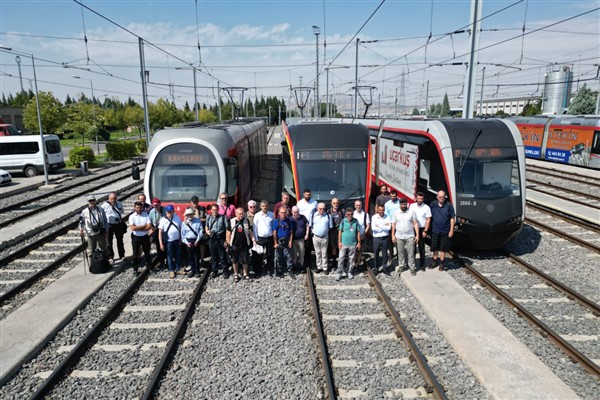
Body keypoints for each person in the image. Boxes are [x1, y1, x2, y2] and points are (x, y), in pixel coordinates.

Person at [391, 198, 419, 276]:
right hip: (399, 236)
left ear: (407, 204)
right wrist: (393, 235)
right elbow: (393, 224)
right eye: (402, 204)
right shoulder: (396, 213)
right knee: (400, 252)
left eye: (404, 204)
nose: (403, 206)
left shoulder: (412, 212)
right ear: (399, 204)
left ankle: (412, 267)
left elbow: (415, 223)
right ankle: (401, 266)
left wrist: (417, 235)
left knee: (411, 253)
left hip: (410, 235)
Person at [226, 207, 255, 282]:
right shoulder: (232, 221)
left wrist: (253, 239)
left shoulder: (246, 220)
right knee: (235, 260)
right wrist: (228, 243)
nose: (242, 215)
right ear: (236, 214)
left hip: (245, 244)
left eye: (242, 214)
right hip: (235, 244)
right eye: (240, 214)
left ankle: (245, 274)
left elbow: (249, 231)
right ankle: (235, 273)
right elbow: (228, 233)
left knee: (245, 260)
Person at [429, 190, 455, 272]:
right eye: (440, 197)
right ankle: (435, 261)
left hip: (445, 230)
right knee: (434, 247)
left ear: (445, 197)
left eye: (443, 197)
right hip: (435, 229)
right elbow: (428, 216)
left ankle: (442, 263)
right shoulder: (433, 205)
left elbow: (452, 218)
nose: (441, 198)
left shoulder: (449, 205)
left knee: (443, 248)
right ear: (437, 197)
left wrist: (451, 230)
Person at [158, 205, 183, 279]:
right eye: (168, 212)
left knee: (178, 255)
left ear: (173, 211)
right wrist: (161, 243)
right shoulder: (163, 220)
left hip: (177, 240)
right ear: (166, 212)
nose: (169, 213)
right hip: (169, 241)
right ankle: (171, 270)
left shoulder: (177, 218)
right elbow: (160, 232)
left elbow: (181, 228)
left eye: (171, 211)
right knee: (170, 256)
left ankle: (178, 268)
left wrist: (181, 238)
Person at [337, 208, 361, 281]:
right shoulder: (343, 221)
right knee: (341, 258)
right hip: (343, 243)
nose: (350, 216)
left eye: (351, 214)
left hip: (353, 243)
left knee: (351, 259)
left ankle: (349, 272)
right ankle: (339, 273)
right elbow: (340, 232)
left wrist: (359, 242)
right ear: (346, 215)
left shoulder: (356, 221)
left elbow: (358, 232)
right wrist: (339, 242)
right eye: (348, 214)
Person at [128, 201, 152, 274]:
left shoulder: (146, 215)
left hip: (145, 237)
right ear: (134, 208)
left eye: (140, 207)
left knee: (147, 253)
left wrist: (138, 228)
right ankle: (135, 269)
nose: (138, 209)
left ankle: (149, 268)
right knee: (135, 255)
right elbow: (133, 228)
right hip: (136, 237)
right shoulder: (131, 216)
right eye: (137, 208)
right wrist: (144, 226)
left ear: (142, 208)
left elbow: (149, 226)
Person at [409, 192, 432, 270]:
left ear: (423, 199)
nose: (419, 200)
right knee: (412, 248)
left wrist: (425, 231)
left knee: (422, 248)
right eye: (418, 198)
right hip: (412, 229)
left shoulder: (426, 208)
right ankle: (413, 264)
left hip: (422, 229)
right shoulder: (412, 206)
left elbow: (428, 220)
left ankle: (422, 265)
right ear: (416, 198)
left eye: (421, 199)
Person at [101, 192, 126, 262]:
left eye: (115, 198)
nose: (113, 200)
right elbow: (102, 215)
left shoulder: (119, 204)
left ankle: (122, 255)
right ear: (109, 198)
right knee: (109, 242)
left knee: (120, 241)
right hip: (109, 225)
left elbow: (122, 212)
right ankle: (110, 256)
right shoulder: (104, 205)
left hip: (118, 224)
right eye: (112, 199)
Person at [205, 204, 228, 278]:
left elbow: (227, 229)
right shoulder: (208, 217)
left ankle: (225, 271)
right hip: (212, 238)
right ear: (211, 210)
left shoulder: (222, 217)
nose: (214, 211)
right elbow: (206, 227)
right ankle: (215, 271)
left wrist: (226, 240)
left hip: (220, 238)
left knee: (222, 256)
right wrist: (207, 232)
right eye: (213, 210)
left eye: (216, 210)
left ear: (218, 210)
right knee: (213, 256)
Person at [253, 200, 274, 277]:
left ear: (267, 206)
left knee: (269, 255)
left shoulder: (271, 214)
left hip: (269, 238)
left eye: (266, 206)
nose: (264, 208)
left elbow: (272, 226)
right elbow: (255, 227)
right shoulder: (257, 215)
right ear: (260, 207)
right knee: (259, 255)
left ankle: (269, 270)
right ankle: (258, 271)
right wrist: (255, 238)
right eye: (263, 206)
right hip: (260, 238)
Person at [297, 188, 317, 268]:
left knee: (309, 244)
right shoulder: (299, 203)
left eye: (309, 195)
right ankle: (301, 260)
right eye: (306, 195)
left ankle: (308, 260)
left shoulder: (314, 202)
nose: (307, 196)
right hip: (302, 226)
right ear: (303, 194)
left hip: (311, 226)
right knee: (302, 243)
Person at [272, 206, 294, 278]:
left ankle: (290, 269)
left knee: (289, 256)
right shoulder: (276, 221)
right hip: (279, 240)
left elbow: (291, 232)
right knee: (279, 256)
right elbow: (274, 232)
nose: (283, 214)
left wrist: (290, 241)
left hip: (287, 240)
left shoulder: (289, 221)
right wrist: (275, 243)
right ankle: (280, 270)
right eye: (281, 213)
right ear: (279, 213)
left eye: (284, 213)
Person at [311, 202, 333, 273]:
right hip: (316, 237)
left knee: (324, 253)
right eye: (320, 209)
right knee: (317, 253)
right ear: (317, 208)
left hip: (325, 237)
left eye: (323, 209)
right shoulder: (313, 215)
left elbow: (330, 226)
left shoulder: (328, 216)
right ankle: (319, 267)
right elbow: (310, 225)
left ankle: (325, 267)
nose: (322, 210)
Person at [181, 208, 203, 278]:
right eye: (188, 215)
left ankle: (197, 271)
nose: (189, 216)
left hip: (196, 240)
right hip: (188, 241)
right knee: (190, 256)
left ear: (193, 214)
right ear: (186, 215)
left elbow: (201, 230)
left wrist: (197, 240)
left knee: (196, 256)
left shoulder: (198, 221)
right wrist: (186, 242)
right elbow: (182, 235)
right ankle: (193, 270)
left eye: (190, 214)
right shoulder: (184, 223)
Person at [371, 204, 392, 274]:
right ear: (377, 210)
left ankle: (384, 268)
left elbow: (389, 228)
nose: (381, 211)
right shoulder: (374, 217)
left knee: (385, 253)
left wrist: (379, 226)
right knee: (376, 253)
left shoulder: (387, 217)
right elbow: (373, 228)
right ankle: (376, 268)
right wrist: (383, 226)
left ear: (384, 209)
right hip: (376, 238)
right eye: (380, 210)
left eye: (382, 210)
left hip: (385, 238)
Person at [290, 206, 309, 273]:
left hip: (301, 239)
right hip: (293, 240)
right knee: (294, 254)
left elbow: (307, 225)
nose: (296, 213)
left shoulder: (303, 217)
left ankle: (301, 266)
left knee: (301, 253)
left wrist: (307, 234)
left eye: (297, 212)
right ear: (292, 212)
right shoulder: (290, 219)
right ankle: (295, 266)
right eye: (295, 212)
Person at [191, 195, 208, 268]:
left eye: (196, 202)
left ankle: (202, 259)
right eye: (194, 202)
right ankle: (194, 260)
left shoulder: (203, 209)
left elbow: (207, 218)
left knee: (202, 244)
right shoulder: (189, 209)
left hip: (201, 229)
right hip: (193, 230)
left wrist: (200, 220)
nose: (195, 203)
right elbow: (186, 220)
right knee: (193, 245)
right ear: (191, 202)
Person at [149, 198, 166, 269]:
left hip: (165, 230)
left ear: (160, 204)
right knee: (159, 246)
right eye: (154, 205)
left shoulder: (164, 210)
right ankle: (161, 261)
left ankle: (167, 260)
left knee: (166, 245)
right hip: (156, 230)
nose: (156, 206)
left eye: (157, 205)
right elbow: (150, 221)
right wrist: (151, 229)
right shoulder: (152, 212)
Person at [327, 198, 344, 271]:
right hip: (332, 231)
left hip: (340, 231)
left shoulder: (342, 211)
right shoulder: (328, 212)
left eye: (337, 203)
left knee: (340, 246)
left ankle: (340, 262)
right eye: (334, 203)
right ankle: (334, 261)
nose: (335, 204)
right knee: (333, 246)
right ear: (331, 203)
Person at [353, 200, 370, 268]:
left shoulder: (365, 214)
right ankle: (353, 263)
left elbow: (368, 225)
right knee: (353, 250)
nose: (358, 206)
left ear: (361, 205)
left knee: (360, 250)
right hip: (353, 235)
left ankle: (358, 262)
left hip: (362, 235)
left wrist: (364, 234)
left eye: (359, 205)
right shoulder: (353, 214)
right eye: (357, 205)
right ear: (355, 206)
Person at [384, 190, 400, 263]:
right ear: (390, 196)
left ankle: (399, 254)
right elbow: (386, 214)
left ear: (396, 196)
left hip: (399, 224)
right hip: (391, 224)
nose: (393, 198)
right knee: (391, 241)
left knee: (398, 240)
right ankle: (391, 254)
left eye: (394, 196)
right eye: (391, 196)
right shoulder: (387, 204)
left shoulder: (399, 202)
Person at [247, 200, 261, 277]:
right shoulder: (245, 215)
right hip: (248, 238)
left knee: (256, 254)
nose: (252, 208)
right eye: (250, 207)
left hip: (257, 237)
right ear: (248, 207)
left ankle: (256, 269)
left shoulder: (259, 215)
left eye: (254, 207)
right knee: (246, 254)